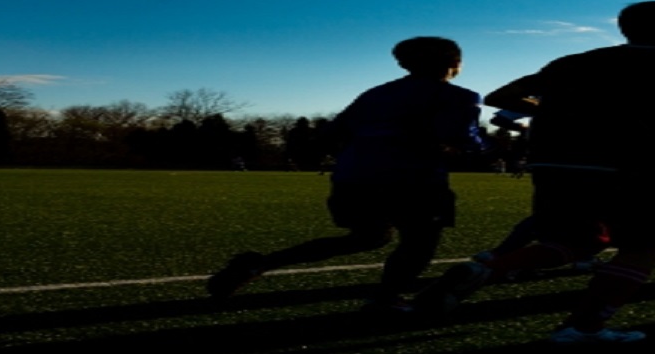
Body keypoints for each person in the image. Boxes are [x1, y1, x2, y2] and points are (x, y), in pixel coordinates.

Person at [416, 1, 655, 344]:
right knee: (642, 245)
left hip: (553, 162)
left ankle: (484, 270)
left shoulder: (574, 61)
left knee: (575, 241)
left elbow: (502, 96)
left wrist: (554, 110)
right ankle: (584, 326)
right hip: (628, 163)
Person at [205, 37, 483, 311]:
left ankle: (260, 263)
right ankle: (385, 300)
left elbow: (331, 134)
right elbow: (459, 139)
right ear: (454, 62)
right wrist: (483, 147)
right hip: (413, 179)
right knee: (419, 242)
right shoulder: (457, 96)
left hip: (353, 177)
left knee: (369, 237)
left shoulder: (376, 94)